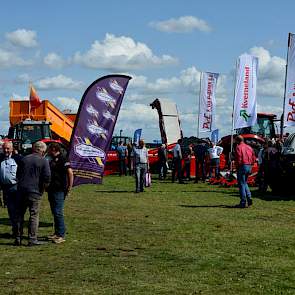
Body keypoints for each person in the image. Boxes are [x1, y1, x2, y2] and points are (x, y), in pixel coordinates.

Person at [18, 141, 51, 246]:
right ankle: (32, 239)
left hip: (21, 190)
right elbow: (47, 177)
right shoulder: (43, 160)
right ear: (42, 150)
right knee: (34, 215)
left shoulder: (24, 158)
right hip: (35, 191)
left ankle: (17, 237)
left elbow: (18, 174)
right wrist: (43, 189)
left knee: (20, 215)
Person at [47, 143, 73, 244]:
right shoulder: (51, 159)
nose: (48, 151)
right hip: (51, 189)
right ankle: (57, 233)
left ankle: (61, 235)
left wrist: (69, 187)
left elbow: (70, 173)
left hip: (59, 190)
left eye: (49, 149)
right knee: (54, 212)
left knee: (58, 212)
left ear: (53, 149)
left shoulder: (63, 159)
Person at [0, 141, 22, 245]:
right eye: (4, 148)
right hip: (5, 189)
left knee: (16, 212)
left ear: (12, 149)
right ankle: (15, 231)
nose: (6, 150)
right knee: (10, 212)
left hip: (16, 188)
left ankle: (18, 234)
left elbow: (23, 172)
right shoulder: (0, 158)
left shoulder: (18, 159)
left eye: (8, 148)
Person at [235, 135, 256, 208]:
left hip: (242, 166)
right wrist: (251, 165)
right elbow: (253, 157)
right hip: (249, 166)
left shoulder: (238, 147)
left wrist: (237, 167)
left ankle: (243, 202)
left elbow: (239, 158)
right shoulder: (249, 147)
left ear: (237, 141)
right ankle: (249, 198)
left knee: (241, 184)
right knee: (244, 183)